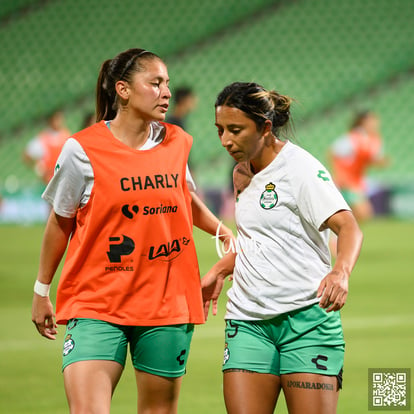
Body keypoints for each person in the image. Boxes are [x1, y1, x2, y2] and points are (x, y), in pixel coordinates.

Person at [31, 48, 233, 414]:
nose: (166, 92)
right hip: (97, 301)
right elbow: (61, 220)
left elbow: (182, 197)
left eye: (167, 84)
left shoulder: (177, 141)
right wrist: (42, 289)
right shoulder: (82, 150)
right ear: (123, 90)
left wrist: (219, 229)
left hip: (166, 300)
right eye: (155, 83)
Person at [201, 82, 363, 414]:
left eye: (235, 130)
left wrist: (340, 272)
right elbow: (259, 239)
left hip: (306, 322)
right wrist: (221, 267)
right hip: (247, 321)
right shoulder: (241, 173)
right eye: (219, 130)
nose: (225, 140)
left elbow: (348, 226)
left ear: (265, 127)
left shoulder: (299, 169)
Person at [328, 110, 389, 222]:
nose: (375, 123)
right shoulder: (353, 138)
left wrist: (380, 162)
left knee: (355, 215)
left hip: (357, 181)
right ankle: (341, 236)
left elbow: (370, 158)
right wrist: (340, 174)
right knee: (362, 212)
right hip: (347, 181)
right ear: (363, 122)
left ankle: (340, 237)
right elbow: (333, 152)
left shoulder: (373, 139)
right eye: (372, 120)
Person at [22, 110, 70, 184]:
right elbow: (27, 155)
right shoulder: (43, 138)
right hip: (48, 180)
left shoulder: (66, 135)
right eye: (56, 119)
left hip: (64, 177)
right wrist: (39, 169)